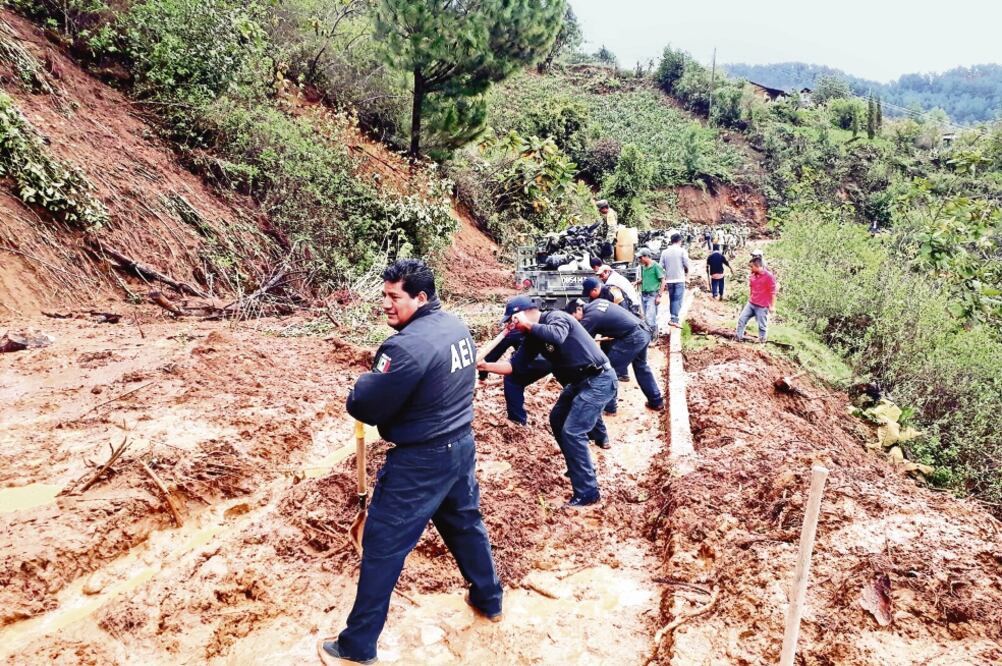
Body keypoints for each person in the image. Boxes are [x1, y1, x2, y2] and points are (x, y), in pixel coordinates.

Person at [320, 259, 503, 665]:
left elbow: (365, 405)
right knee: (466, 523)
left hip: (420, 461)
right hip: (459, 446)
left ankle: (357, 646)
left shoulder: (405, 347)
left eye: (394, 296)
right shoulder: (455, 326)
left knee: (382, 545)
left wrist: (363, 386)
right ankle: (489, 598)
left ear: (420, 298)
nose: (386, 303)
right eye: (384, 295)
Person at [478, 296, 615, 508]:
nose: (511, 325)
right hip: (578, 382)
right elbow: (515, 367)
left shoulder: (556, 317)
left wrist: (527, 324)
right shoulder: (532, 338)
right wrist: (486, 366)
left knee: (573, 431)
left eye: (513, 319)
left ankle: (588, 492)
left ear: (523, 313)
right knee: (557, 419)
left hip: (598, 380)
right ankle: (578, 466)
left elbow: (557, 336)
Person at [566, 298, 663, 414]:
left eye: (573, 318)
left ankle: (609, 407)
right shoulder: (597, 303)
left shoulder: (590, 318)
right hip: (643, 331)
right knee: (641, 367)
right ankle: (656, 401)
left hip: (633, 337)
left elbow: (580, 340)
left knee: (610, 371)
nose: (576, 322)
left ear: (578, 309)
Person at [478, 327, 552, 425]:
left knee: (512, 380)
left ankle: (517, 421)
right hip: (555, 359)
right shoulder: (542, 319)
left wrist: (482, 377)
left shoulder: (512, 330)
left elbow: (492, 355)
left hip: (538, 361)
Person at [736, 256, 778, 343]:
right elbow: (751, 288)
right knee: (741, 320)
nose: (750, 268)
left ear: (758, 266)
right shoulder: (752, 276)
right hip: (751, 304)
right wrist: (750, 297)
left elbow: (773, 292)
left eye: (752, 267)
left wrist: (772, 306)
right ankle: (738, 339)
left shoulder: (769, 276)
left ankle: (762, 343)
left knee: (762, 326)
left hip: (762, 306)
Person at [658, 233, 690, 328]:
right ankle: (674, 319)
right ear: (680, 241)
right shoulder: (682, 251)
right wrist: (687, 276)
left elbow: (660, 267)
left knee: (672, 299)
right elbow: (687, 265)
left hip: (669, 280)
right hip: (679, 279)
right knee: (678, 300)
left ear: (671, 241)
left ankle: (673, 318)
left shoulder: (665, 252)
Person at [637, 248, 665, 337]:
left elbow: (663, 281)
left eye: (640, 258)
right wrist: (638, 282)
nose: (639, 260)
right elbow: (645, 278)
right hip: (644, 293)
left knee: (650, 317)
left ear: (646, 256)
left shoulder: (656, 266)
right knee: (646, 316)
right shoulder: (643, 267)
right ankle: (649, 336)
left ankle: (654, 337)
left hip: (652, 295)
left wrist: (659, 296)